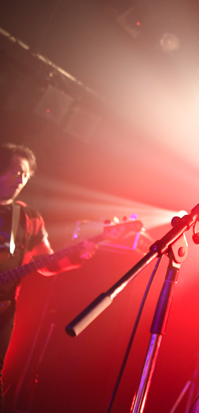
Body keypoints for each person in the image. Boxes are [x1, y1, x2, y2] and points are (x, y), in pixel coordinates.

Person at [0, 143, 95, 412]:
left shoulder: (28, 217)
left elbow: (47, 264)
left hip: (3, 310)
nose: (21, 179)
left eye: (26, 175)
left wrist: (77, 257)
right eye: (16, 171)